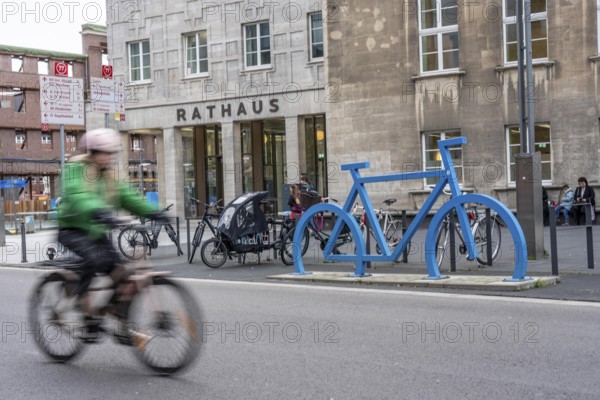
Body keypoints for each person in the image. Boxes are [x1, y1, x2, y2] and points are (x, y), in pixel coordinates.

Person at [57, 128, 167, 341]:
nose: (108, 158)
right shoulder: (75, 168)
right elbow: (78, 195)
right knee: (96, 259)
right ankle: (84, 307)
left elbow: (127, 197)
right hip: (72, 229)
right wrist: (99, 210)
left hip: (96, 233)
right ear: (92, 152)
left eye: (111, 154)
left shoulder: (108, 177)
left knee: (123, 274)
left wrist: (154, 212)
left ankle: (120, 322)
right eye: (104, 153)